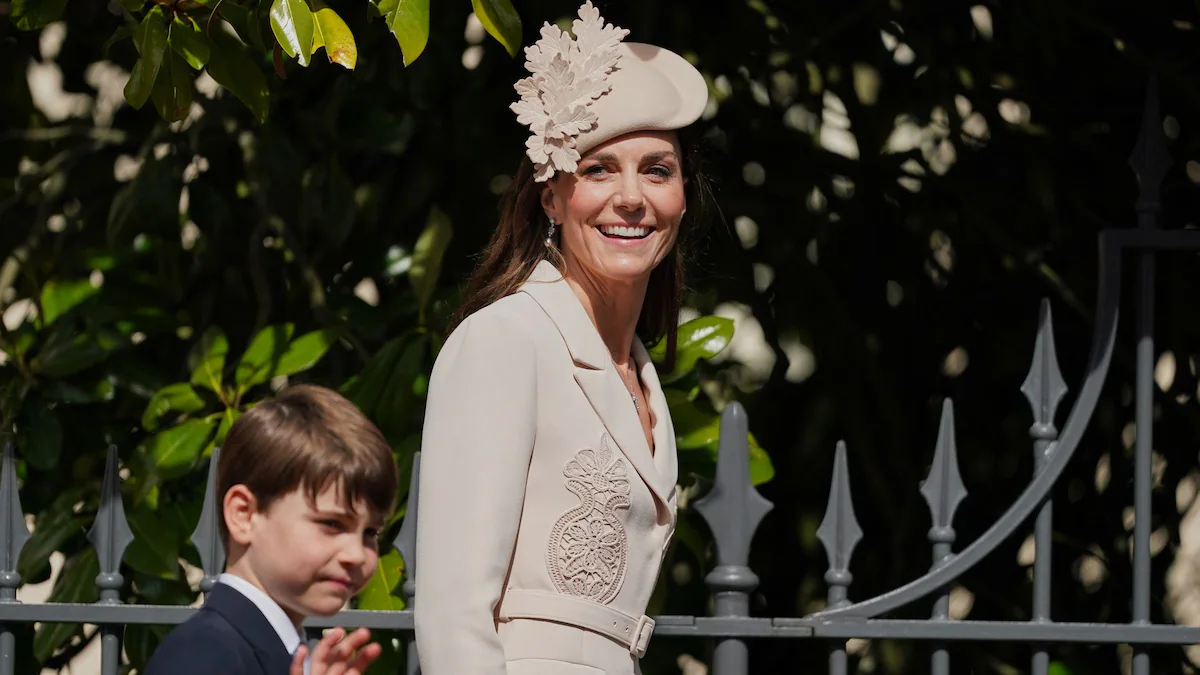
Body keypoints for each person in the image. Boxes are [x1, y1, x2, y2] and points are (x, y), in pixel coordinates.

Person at [414, 2, 710, 673]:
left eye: (657, 170)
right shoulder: (505, 341)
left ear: (683, 195)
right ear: (550, 196)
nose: (631, 197)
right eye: (598, 169)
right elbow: (454, 617)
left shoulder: (642, 376)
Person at [146, 384, 398, 675]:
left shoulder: (259, 651)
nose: (356, 555)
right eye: (332, 524)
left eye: (370, 533)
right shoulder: (202, 656)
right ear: (244, 515)